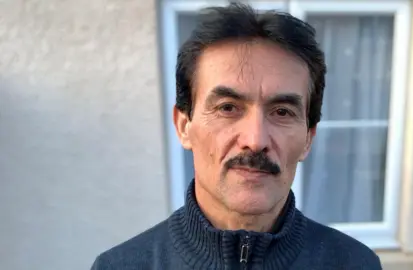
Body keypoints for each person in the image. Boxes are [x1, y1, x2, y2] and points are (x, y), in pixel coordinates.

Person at [90, 2, 382, 270]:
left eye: (282, 112)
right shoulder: (120, 267)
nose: (255, 140)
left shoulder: (355, 264)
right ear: (183, 126)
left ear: (308, 138)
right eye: (228, 108)